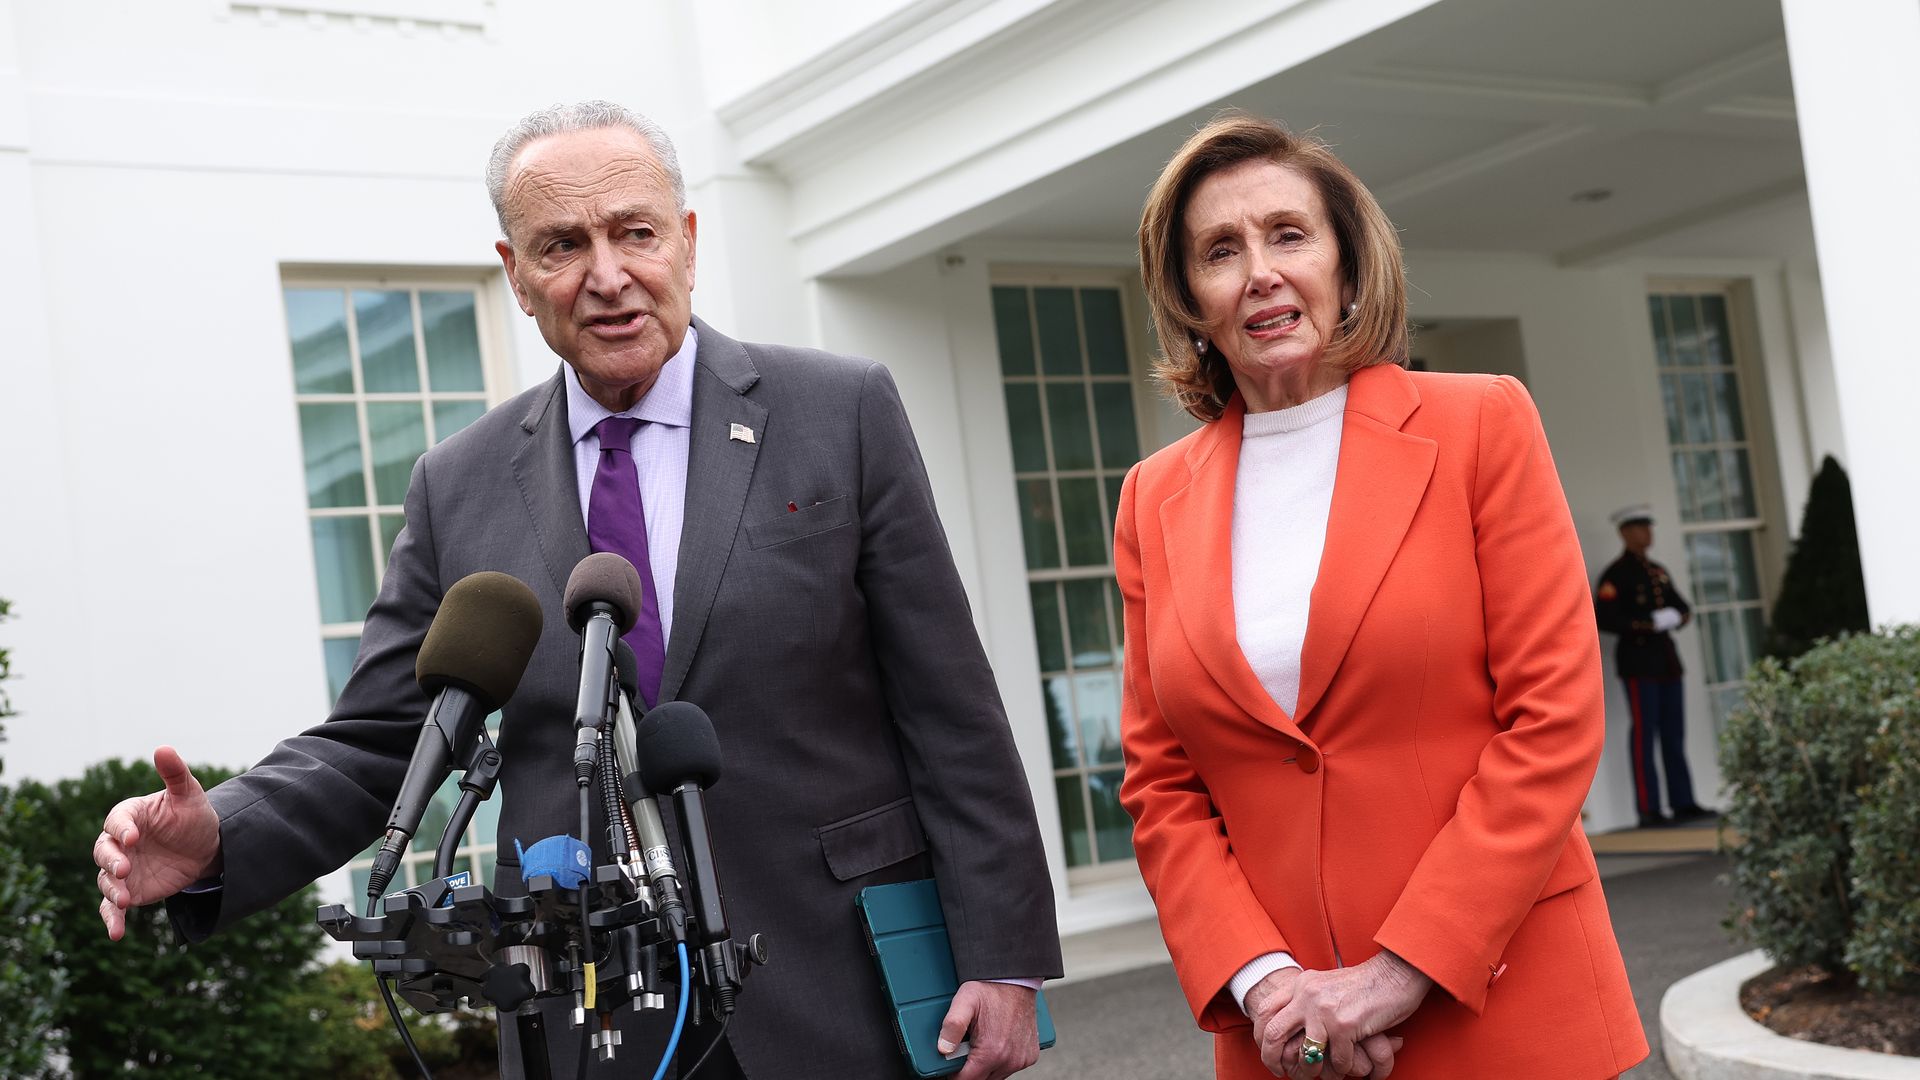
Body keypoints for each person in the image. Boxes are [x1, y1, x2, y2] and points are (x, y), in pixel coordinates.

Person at [90, 101, 1061, 1080]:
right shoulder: (455, 483)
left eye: (634, 232)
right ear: (514, 274)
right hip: (588, 1018)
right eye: (562, 244)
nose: (607, 277)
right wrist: (221, 834)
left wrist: (1004, 954)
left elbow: (949, 707)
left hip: (832, 983)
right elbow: (379, 743)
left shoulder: (840, 412)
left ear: (686, 242)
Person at [1115, 113, 1646, 1079]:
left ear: (1348, 266)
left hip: (1508, 1004)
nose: (1260, 272)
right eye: (1220, 251)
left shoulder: (1481, 424)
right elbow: (1162, 784)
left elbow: (1553, 720)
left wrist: (1398, 971)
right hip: (1289, 1044)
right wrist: (1268, 985)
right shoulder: (1153, 499)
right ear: (1190, 299)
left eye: (1289, 233)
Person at [1594, 504, 1708, 829]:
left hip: (1667, 662)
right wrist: (1647, 623)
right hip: (1639, 663)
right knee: (1645, 735)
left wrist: (1675, 617)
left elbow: (1682, 608)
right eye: (1640, 528)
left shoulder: (1657, 571)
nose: (1648, 533)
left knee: (1674, 733)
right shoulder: (1617, 574)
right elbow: (1606, 618)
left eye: (1649, 527)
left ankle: (1682, 801)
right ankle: (1649, 808)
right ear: (1625, 533)